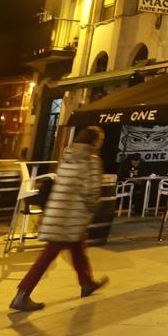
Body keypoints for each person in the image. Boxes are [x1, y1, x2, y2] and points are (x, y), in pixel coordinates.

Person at [9, 127, 109, 312]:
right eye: (100, 138)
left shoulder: (67, 158)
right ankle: (22, 294)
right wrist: (95, 206)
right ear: (94, 141)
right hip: (72, 216)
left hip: (58, 213)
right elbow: (91, 191)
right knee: (48, 255)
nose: (101, 142)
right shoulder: (92, 161)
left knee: (78, 248)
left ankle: (86, 282)